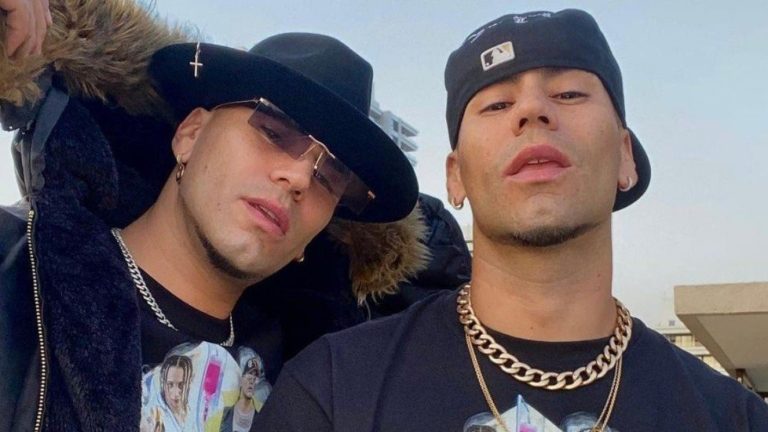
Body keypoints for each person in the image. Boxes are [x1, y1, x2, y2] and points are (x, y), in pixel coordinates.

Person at [254, 9, 768, 431]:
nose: (532, 110)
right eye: (497, 104)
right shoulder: (333, 389)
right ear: (455, 177)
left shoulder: (733, 417)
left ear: (625, 158)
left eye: (568, 93)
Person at [0, 0, 425, 430]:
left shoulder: (324, 376)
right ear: (190, 134)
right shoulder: (17, 277)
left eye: (329, 178)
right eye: (273, 132)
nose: (299, 178)